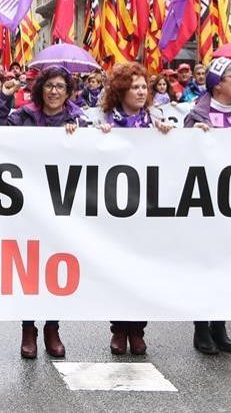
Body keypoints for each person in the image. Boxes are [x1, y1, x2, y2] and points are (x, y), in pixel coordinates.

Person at [0, 65, 85, 359]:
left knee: (56, 268)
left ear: (68, 92)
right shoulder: (22, 116)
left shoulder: (78, 119)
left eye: (60, 86)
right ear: (40, 89)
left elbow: (95, 152)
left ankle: (52, 328)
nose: (54, 91)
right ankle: (28, 329)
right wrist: (4, 99)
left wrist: (81, 136)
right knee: (30, 270)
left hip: (61, 207)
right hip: (27, 206)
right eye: (49, 86)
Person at [97, 63, 173, 356]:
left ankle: (138, 330)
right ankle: (119, 329)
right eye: (135, 87)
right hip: (114, 210)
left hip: (146, 209)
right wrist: (98, 137)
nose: (141, 92)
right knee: (118, 271)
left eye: (144, 87)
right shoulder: (103, 120)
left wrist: (168, 134)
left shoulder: (157, 120)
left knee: (142, 271)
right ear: (120, 91)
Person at [184, 57, 231, 355]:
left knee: (228, 266)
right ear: (217, 83)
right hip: (204, 204)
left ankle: (220, 325)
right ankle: (201, 327)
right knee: (205, 265)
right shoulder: (197, 115)